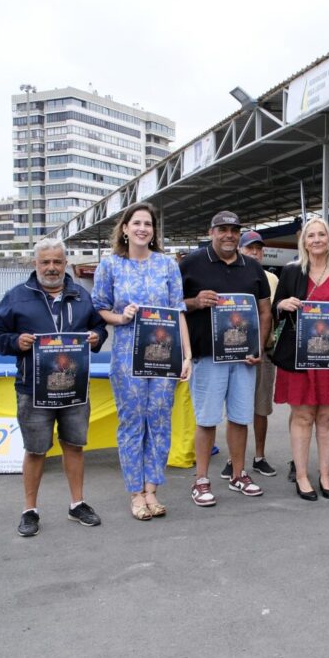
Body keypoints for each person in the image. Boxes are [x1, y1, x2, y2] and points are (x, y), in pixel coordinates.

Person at [0, 238, 109, 536]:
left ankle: (77, 503)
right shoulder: (17, 297)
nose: (52, 268)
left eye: (57, 261)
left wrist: (96, 336)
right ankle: (30, 510)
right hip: (33, 389)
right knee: (35, 450)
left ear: (65, 264)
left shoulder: (82, 296)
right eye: (46, 262)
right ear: (35, 264)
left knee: (74, 446)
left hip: (74, 388)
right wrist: (16, 342)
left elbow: (99, 326)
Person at [93, 202, 191, 519]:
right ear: (124, 228)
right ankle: (135, 493)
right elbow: (100, 308)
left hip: (164, 356)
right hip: (126, 355)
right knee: (133, 422)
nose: (142, 229)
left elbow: (178, 313)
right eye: (136, 223)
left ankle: (152, 490)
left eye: (148, 224)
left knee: (160, 420)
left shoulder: (167, 266)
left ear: (153, 232)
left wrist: (186, 355)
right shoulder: (109, 266)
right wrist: (121, 317)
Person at [180, 210, 272, 506]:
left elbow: (265, 312)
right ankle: (201, 480)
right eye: (223, 230)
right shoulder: (192, 263)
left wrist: (258, 347)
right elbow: (172, 305)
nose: (229, 235)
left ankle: (238, 473)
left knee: (240, 417)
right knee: (206, 420)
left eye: (234, 229)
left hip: (243, 357)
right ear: (211, 233)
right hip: (208, 356)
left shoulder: (253, 268)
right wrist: (194, 302)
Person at [271, 216, 329, 501]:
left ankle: (325, 475)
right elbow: (277, 308)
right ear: (303, 241)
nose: (317, 240)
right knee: (303, 416)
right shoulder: (291, 271)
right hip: (299, 359)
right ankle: (301, 476)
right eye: (311, 236)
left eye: (322, 235)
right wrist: (282, 304)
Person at [219, 230, 279, 479]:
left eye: (258, 249)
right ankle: (234, 459)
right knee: (235, 408)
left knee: (261, 407)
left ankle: (259, 457)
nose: (254, 253)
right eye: (249, 248)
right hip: (233, 351)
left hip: (262, 351)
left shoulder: (273, 279)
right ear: (240, 250)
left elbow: (274, 313)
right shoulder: (229, 274)